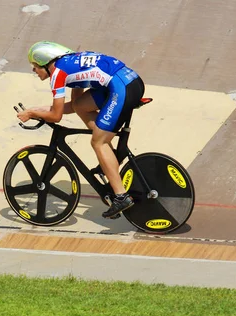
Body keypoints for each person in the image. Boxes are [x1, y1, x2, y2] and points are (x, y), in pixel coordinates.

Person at [17, 41, 145, 219]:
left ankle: (121, 196)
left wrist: (32, 112)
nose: (34, 71)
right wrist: (38, 111)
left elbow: (56, 116)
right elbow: (75, 105)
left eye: (35, 66)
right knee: (81, 106)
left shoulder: (57, 75)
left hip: (121, 88)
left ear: (46, 63)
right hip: (128, 81)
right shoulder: (70, 63)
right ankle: (109, 155)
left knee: (98, 142)